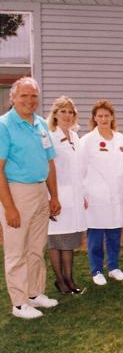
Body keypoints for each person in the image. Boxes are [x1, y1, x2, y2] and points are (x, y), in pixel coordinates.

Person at [0, 77, 61, 319]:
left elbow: (49, 162)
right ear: (12, 98)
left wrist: (53, 195)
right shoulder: (4, 125)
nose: (29, 100)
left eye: (33, 96)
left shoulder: (40, 124)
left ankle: (35, 294)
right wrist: (9, 207)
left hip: (39, 191)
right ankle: (19, 303)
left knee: (37, 247)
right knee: (16, 251)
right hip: (17, 191)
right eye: (23, 95)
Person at [80, 100, 123, 286]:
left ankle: (114, 267)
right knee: (95, 234)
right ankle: (97, 270)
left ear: (112, 117)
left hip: (116, 194)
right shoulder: (87, 141)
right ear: (94, 118)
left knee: (114, 232)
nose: (103, 119)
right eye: (99, 116)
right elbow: (81, 169)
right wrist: (83, 194)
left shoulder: (120, 138)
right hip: (95, 195)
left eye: (106, 115)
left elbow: (122, 164)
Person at [46, 96, 86, 294]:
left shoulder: (75, 136)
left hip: (74, 196)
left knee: (68, 240)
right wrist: (51, 197)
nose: (67, 115)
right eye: (63, 111)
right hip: (57, 195)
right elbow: (47, 168)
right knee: (56, 240)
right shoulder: (49, 136)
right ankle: (60, 280)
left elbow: (80, 169)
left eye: (70, 112)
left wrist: (83, 195)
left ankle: (70, 279)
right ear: (55, 114)